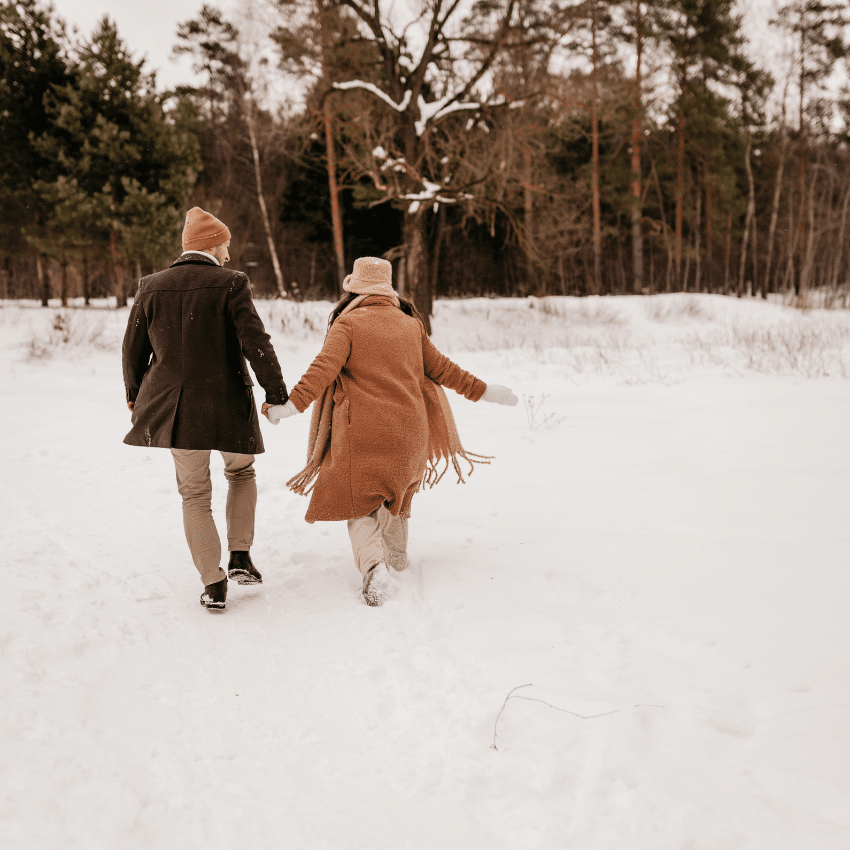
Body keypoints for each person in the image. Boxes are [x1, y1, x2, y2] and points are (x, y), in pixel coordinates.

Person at [269, 256, 517, 606]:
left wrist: (290, 406)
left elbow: (322, 370)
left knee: (359, 505)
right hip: (410, 434)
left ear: (354, 288)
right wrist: (486, 391)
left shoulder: (348, 324)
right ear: (389, 291)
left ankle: (374, 569)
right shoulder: (410, 326)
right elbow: (446, 371)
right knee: (397, 500)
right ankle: (397, 561)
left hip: (361, 434)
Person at [122, 207, 288, 611]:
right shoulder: (231, 283)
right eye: (226, 245)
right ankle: (240, 556)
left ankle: (213, 584)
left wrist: (134, 393)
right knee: (241, 472)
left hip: (177, 411)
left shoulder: (151, 285)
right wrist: (276, 393)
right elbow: (256, 341)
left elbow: (132, 350)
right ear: (212, 244)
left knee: (194, 494)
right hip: (229, 402)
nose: (229, 254)